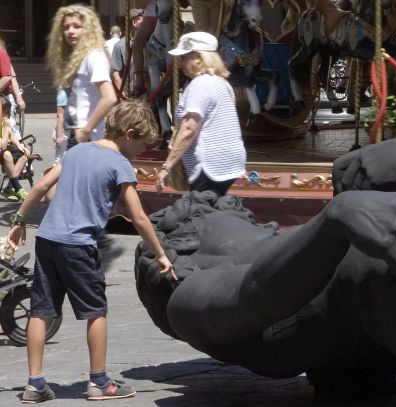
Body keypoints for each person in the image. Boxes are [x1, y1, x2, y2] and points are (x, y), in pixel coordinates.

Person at [137, 136, 396, 400]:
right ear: (184, 246)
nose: (267, 225)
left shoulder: (304, 249)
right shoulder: (190, 299)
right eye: (232, 215)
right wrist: (338, 214)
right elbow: (252, 293)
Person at [7, 101, 176, 403]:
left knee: (41, 310)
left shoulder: (77, 151)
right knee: (96, 311)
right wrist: (161, 254)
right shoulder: (120, 163)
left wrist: (19, 221)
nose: (141, 151)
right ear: (129, 133)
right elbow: (138, 217)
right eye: (142, 143)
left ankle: (34, 385)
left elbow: (42, 184)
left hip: (47, 239)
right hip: (79, 246)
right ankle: (99, 382)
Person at [156, 31, 246, 196]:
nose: (180, 62)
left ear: (198, 57)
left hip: (210, 164)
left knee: (200, 212)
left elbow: (189, 128)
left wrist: (167, 167)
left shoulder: (200, 84)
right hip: (228, 161)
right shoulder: (221, 83)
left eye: (184, 57)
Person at [46, 4, 117, 151]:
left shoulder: (94, 56)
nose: (70, 31)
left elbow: (109, 98)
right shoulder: (81, 57)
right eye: (66, 27)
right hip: (76, 133)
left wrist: (86, 130)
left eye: (76, 26)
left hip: (88, 137)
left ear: (88, 29)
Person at [0, 97, 30, 201]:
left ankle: (9, 187)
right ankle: (18, 188)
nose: (7, 115)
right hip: (2, 149)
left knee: (24, 156)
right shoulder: (4, 124)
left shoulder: (3, 121)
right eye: (5, 112)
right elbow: (3, 145)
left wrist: (20, 146)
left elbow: (12, 136)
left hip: (2, 150)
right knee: (7, 155)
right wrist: (7, 128)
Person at [111, 8, 144, 97]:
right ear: (134, 23)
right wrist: (124, 96)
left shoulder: (149, 42)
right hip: (131, 95)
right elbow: (115, 74)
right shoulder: (120, 46)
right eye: (144, 21)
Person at [0, 34, 25, 140]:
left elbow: (9, 76)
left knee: (9, 127)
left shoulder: (1, 53)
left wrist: (19, 97)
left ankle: (21, 152)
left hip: (3, 98)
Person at [52, 89, 68, 165]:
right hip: (63, 131)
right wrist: (59, 135)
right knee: (60, 161)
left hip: (68, 130)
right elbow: (60, 115)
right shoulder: (63, 94)